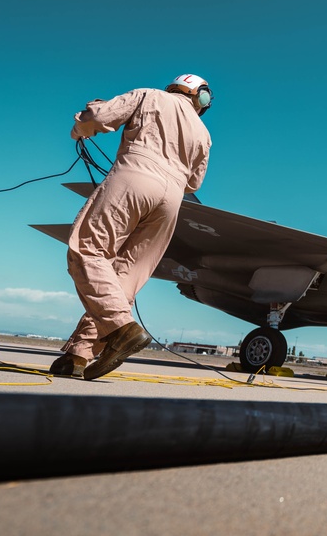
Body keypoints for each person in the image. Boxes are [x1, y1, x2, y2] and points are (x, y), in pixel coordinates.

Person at [48, 74, 213, 381]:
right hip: (172, 199)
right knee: (128, 275)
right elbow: (195, 182)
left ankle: (122, 329)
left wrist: (80, 127)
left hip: (135, 176)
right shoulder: (204, 133)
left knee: (86, 250)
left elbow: (99, 116)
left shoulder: (150, 95)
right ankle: (78, 355)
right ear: (201, 98)